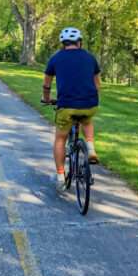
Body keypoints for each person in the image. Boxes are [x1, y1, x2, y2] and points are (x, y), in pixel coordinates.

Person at [41, 27, 101, 190]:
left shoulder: (55, 58)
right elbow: (97, 84)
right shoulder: (90, 57)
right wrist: (91, 98)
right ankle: (90, 148)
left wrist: (46, 99)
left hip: (66, 106)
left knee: (60, 139)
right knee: (87, 120)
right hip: (89, 104)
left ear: (63, 43)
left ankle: (61, 177)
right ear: (79, 42)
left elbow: (47, 84)